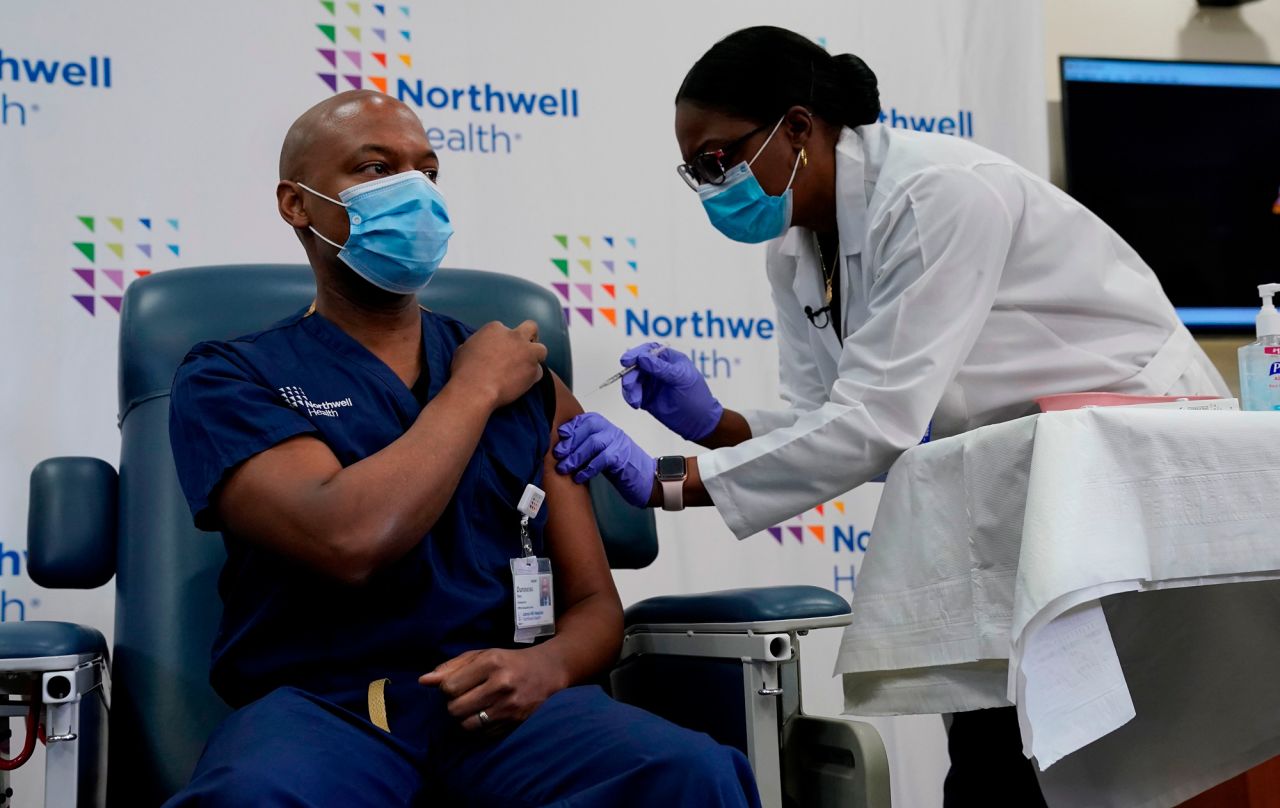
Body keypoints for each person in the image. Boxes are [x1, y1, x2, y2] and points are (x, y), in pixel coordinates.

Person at [552, 26, 1229, 807]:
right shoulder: (797, 247)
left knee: (1088, 751)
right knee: (998, 743)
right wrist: (716, 425)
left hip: (1122, 460)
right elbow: (831, 426)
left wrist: (672, 482)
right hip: (1015, 476)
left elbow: (874, 425)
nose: (711, 186)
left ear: (798, 128)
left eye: (718, 159)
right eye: (695, 171)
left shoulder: (938, 193)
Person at [163, 89, 761, 807]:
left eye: (427, 171)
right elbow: (348, 536)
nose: (413, 193)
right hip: (326, 714)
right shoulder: (233, 377)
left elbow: (596, 605)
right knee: (251, 799)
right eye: (375, 169)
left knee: (692, 774)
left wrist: (546, 669)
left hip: (511, 710)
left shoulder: (529, 383)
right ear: (297, 204)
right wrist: (472, 389)